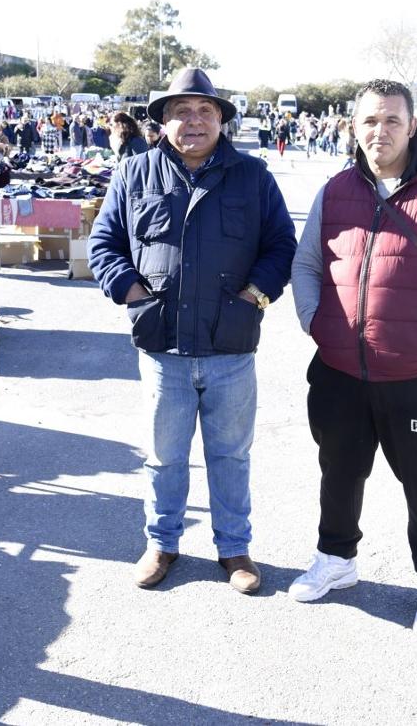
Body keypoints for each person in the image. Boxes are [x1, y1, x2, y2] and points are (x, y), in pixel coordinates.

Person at [288, 79, 417, 639]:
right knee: (339, 472)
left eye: (392, 122)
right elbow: (306, 264)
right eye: (369, 122)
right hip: (339, 371)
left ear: (412, 127)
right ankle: (337, 560)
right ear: (354, 127)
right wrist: (315, 322)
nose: (380, 132)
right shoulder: (335, 191)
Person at [88, 67, 296, 595]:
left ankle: (234, 549)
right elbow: (104, 244)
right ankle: (162, 544)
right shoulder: (134, 173)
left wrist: (255, 298)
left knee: (231, 455)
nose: (194, 120)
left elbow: (281, 247)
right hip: (163, 348)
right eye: (181, 110)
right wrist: (135, 298)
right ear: (162, 121)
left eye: (205, 110)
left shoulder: (252, 176)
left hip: (231, 349)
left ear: (222, 120)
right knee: (163, 457)